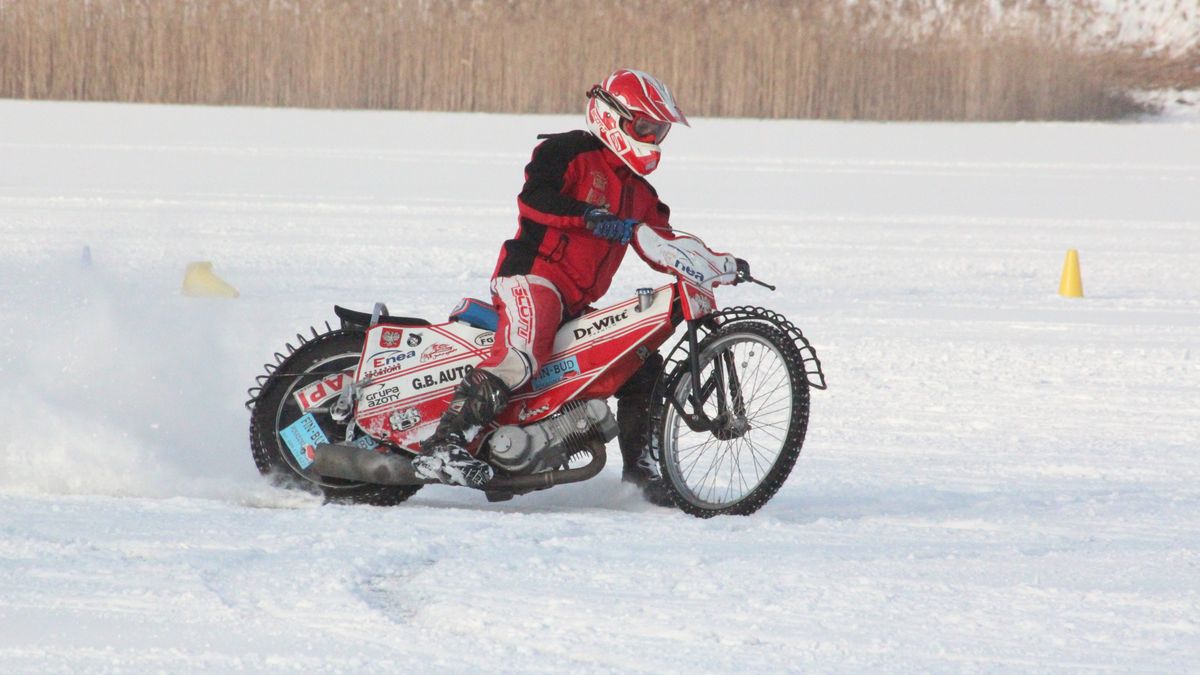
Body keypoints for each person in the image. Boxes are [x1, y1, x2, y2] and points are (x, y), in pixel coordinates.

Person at [412, 68, 687, 506]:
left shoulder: (641, 192)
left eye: (661, 130)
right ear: (613, 117)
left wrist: (712, 262)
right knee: (525, 353)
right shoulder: (567, 151)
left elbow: (663, 242)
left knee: (641, 366)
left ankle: (644, 477)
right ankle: (443, 447)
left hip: (576, 301)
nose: (653, 137)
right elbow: (535, 199)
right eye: (646, 126)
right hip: (533, 277)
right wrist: (589, 216)